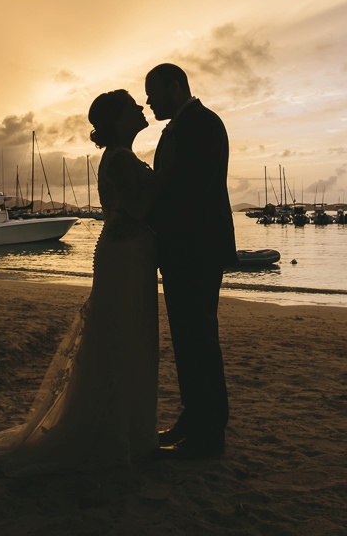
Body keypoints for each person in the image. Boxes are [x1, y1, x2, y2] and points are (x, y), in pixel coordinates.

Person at [0, 90, 158, 475]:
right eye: (133, 105)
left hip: (130, 253)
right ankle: (115, 432)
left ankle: (128, 428)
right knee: (121, 337)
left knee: (128, 337)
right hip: (125, 255)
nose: (141, 108)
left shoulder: (122, 158)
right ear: (118, 119)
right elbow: (135, 209)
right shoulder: (118, 159)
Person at [145, 63, 235, 459]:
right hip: (183, 247)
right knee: (187, 337)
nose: (148, 101)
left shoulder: (203, 124)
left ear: (175, 86)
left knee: (198, 336)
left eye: (153, 92)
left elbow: (189, 190)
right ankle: (194, 416)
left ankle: (208, 430)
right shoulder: (186, 125)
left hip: (195, 247)